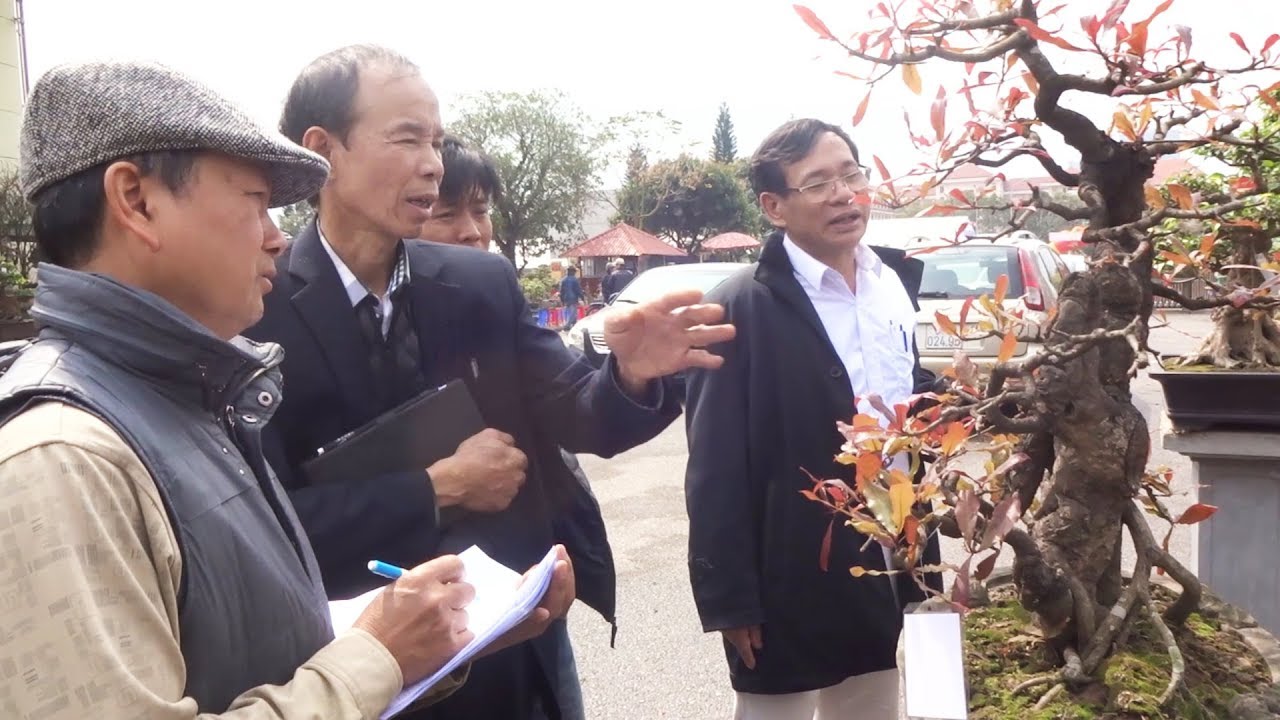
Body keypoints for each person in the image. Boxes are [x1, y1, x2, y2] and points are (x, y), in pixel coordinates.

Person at [0, 59, 573, 720]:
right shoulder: (62, 460)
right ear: (136, 201)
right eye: (254, 202)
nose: (277, 238)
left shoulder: (187, 402)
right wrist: (375, 660)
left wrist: (423, 642)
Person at [246, 44, 734, 720]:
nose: (432, 163)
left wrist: (631, 374)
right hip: (357, 676)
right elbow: (261, 528)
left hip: (503, 653)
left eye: (437, 141)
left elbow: (580, 413)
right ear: (323, 150)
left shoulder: (475, 283)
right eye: (407, 138)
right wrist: (436, 489)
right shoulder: (254, 310)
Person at [683, 118, 939, 720]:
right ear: (774, 206)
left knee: (874, 702)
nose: (844, 194)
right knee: (782, 708)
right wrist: (731, 599)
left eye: (851, 174)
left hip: (893, 546)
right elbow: (714, 464)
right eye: (818, 183)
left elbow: (906, 392)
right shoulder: (738, 307)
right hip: (791, 564)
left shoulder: (891, 283)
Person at [418, 133, 620, 708]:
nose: (471, 231)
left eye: (480, 211)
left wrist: (632, 375)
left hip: (527, 595)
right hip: (427, 621)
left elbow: (581, 407)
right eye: (446, 212)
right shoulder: (375, 325)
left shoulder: (495, 298)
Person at [559, 265, 584, 330]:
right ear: (573, 272)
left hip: (566, 298)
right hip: (573, 298)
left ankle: (574, 325)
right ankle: (567, 325)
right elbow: (578, 290)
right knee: (573, 313)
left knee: (572, 312)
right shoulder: (575, 280)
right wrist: (582, 297)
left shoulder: (563, 280)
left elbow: (562, 291)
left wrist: (562, 299)